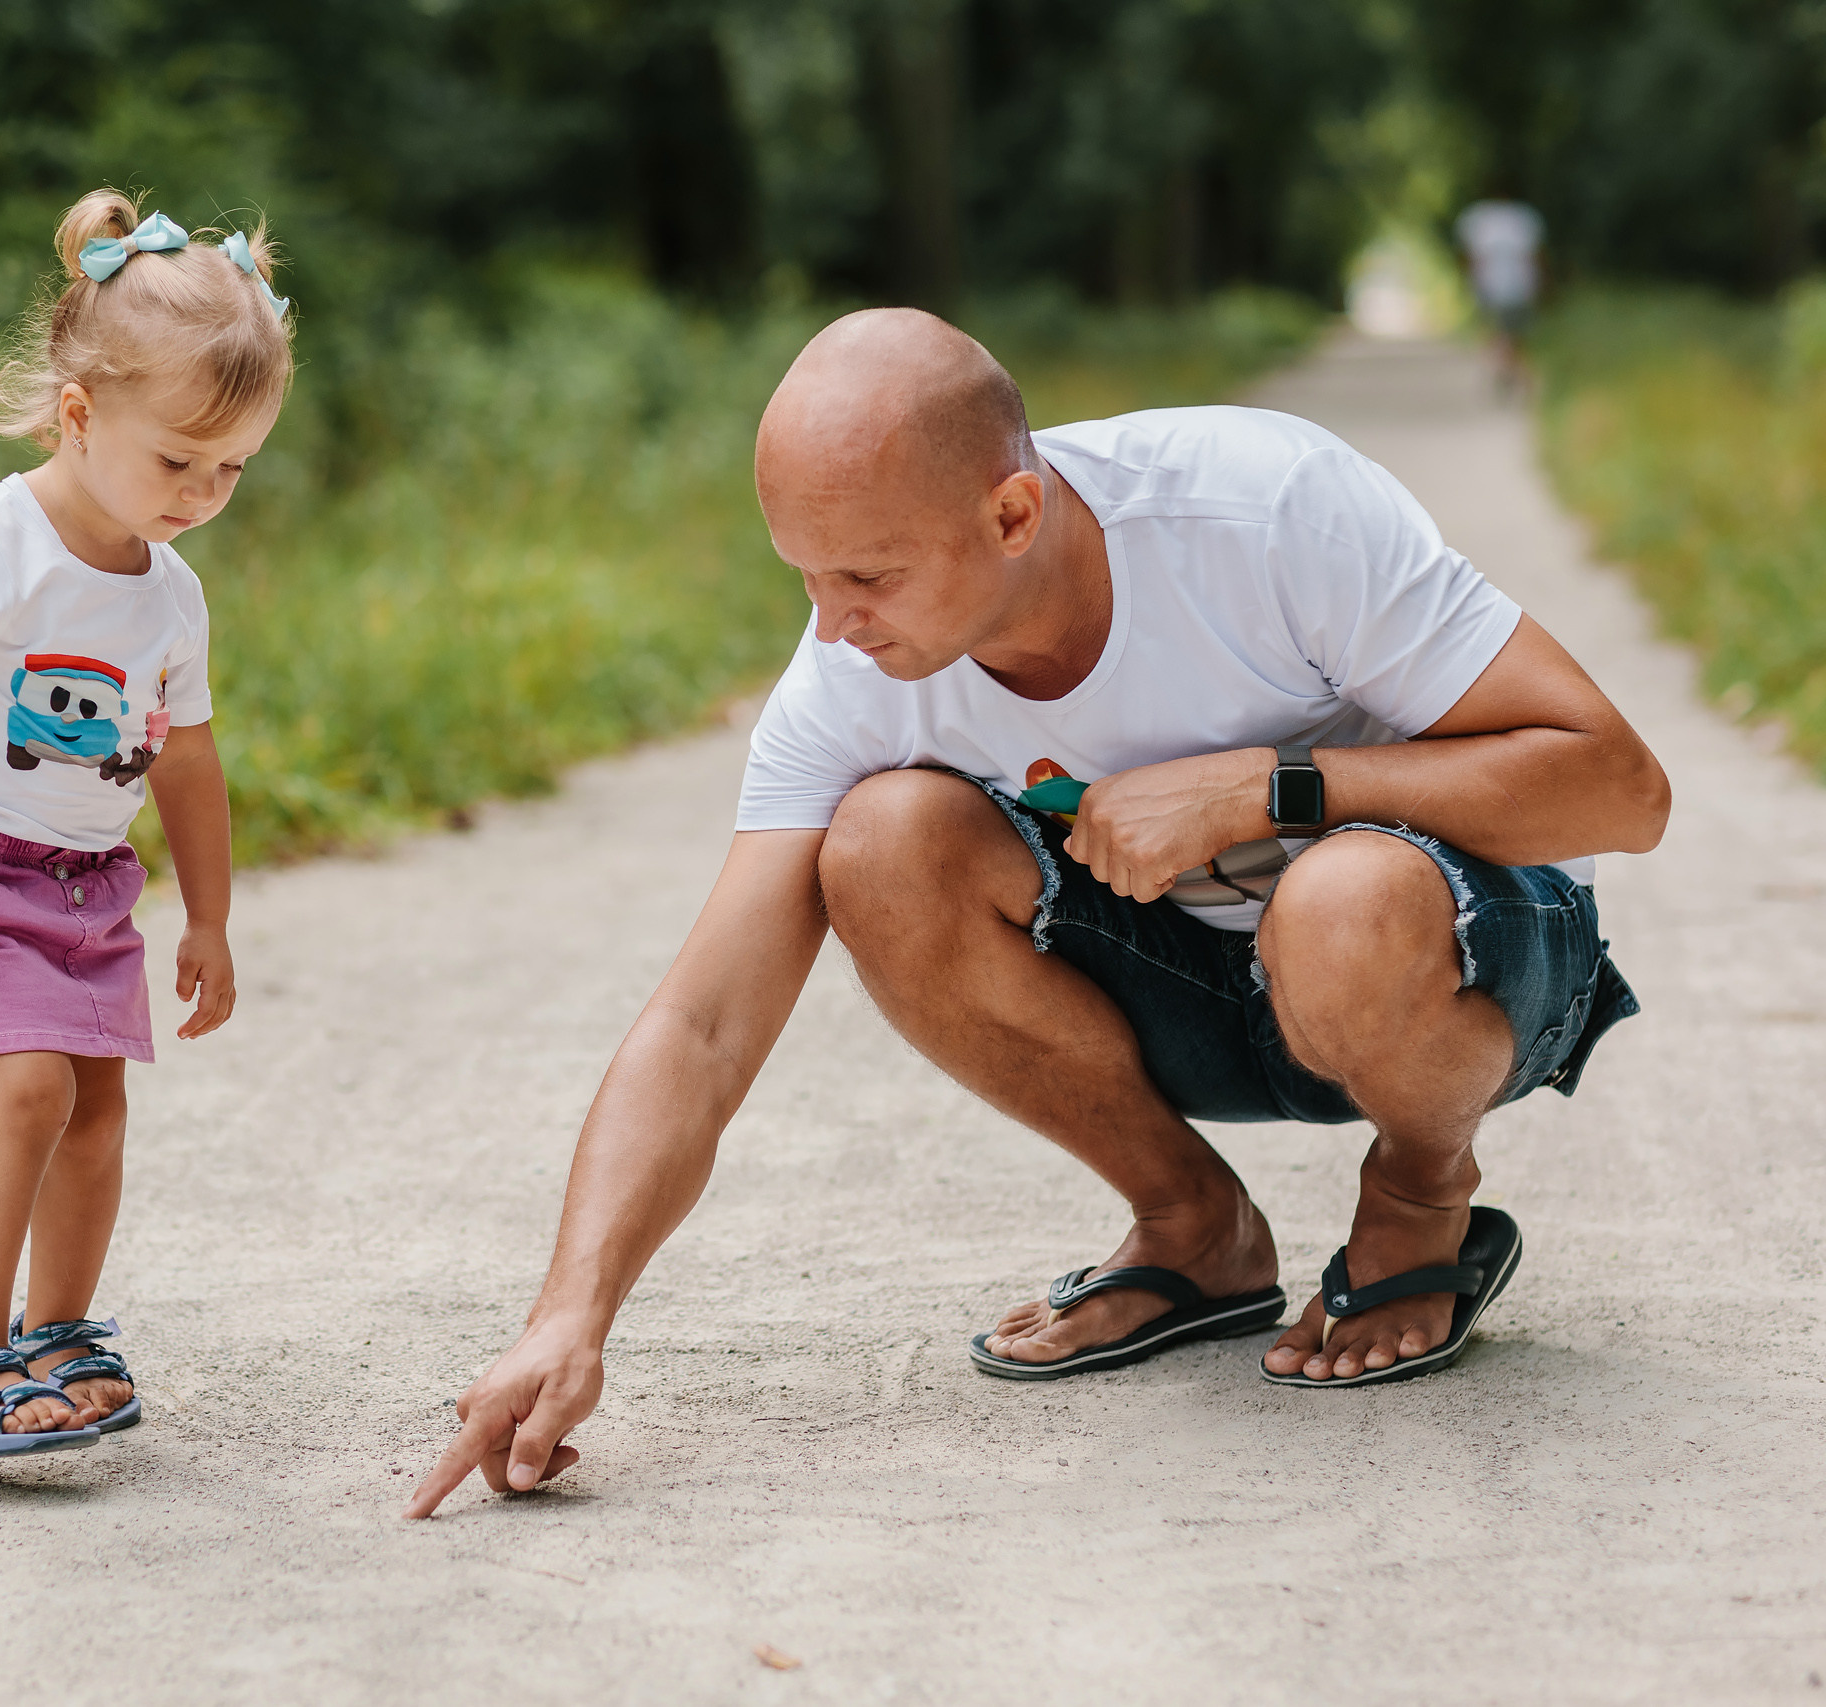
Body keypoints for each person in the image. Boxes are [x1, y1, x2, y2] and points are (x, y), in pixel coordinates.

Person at [407, 308, 1668, 1517]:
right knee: (883, 841)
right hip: (1211, 1003)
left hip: (1456, 974)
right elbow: (702, 1024)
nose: (832, 627)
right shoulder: (850, 677)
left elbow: (1620, 787)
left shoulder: (1263, 511)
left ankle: (1419, 1198)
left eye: (867, 576)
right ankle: (1195, 1229)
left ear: (1012, 514)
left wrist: (1268, 786)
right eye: (803, 577)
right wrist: (569, 1318)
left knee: (1341, 897)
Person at [0, 188, 292, 1456]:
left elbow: (186, 757)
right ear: (79, 416)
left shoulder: (170, 593)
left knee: (95, 1115)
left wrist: (210, 916)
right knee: (27, 1095)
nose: (204, 492)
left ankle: (59, 1333)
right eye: (178, 461)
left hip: (89, 885)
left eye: (233, 467)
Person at [1455, 197, 1545, 392]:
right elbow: (1534, 257)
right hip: (1517, 289)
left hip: (1495, 288)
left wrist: (1470, 284)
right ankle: (1509, 369)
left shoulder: (1479, 218)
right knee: (1512, 334)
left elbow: (1472, 259)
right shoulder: (1523, 218)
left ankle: (1503, 367)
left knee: (1499, 332)